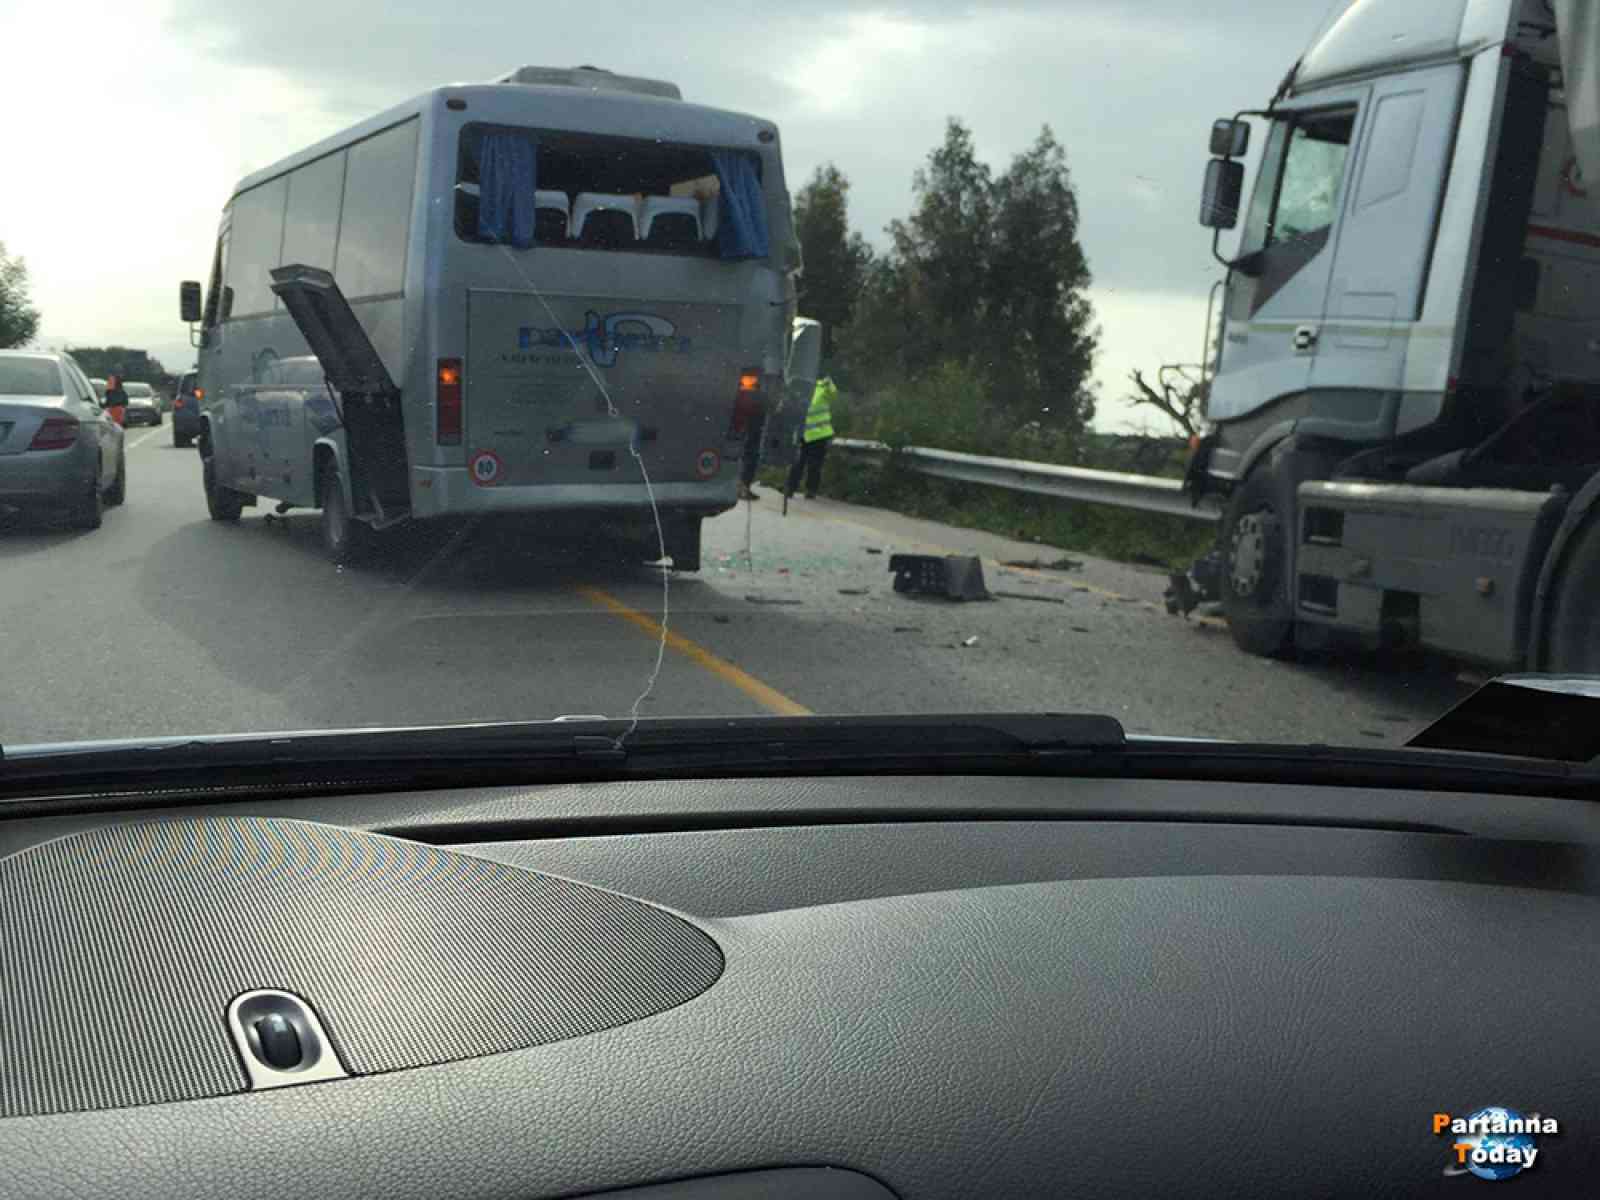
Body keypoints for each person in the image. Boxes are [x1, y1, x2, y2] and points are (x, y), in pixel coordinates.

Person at [786, 376, 837, 500]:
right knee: (797, 462)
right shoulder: (800, 389)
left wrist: (829, 382)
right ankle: (790, 488)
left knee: (814, 465)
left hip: (820, 434)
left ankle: (810, 490)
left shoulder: (823, 387)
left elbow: (833, 394)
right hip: (803, 433)